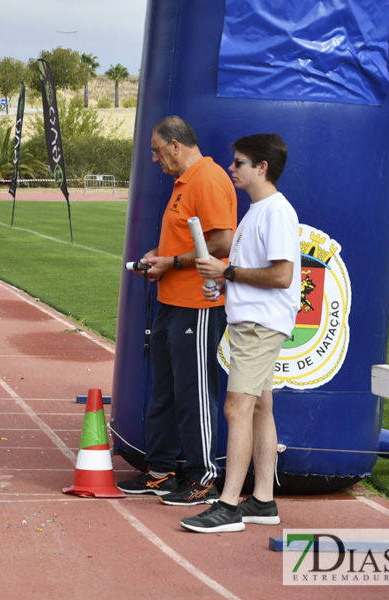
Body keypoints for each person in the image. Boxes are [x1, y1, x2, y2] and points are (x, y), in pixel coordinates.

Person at [181, 134, 300, 533]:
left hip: (259, 325)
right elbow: (257, 273)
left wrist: (227, 272)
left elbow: (282, 276)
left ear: (261, 167)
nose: (232, 168)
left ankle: (229, 503)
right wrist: (225, 283)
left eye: (239, 162)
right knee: (261, 407)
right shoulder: (257, 211)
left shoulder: (275, 212)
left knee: (236, 409)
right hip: (252, 321)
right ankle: (262, 501)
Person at [116, 116, 236, 505]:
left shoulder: (208, 178)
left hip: (198, 304)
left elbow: (221, 241)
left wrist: (174, 263)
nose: (154, 159)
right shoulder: (185, 182)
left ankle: (204, 478)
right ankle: (160, 471)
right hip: (172, 300)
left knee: (195, 393)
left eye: (155, 150)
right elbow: (191, 239)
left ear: (174, 146)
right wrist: (160, 258)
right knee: (165, 393)